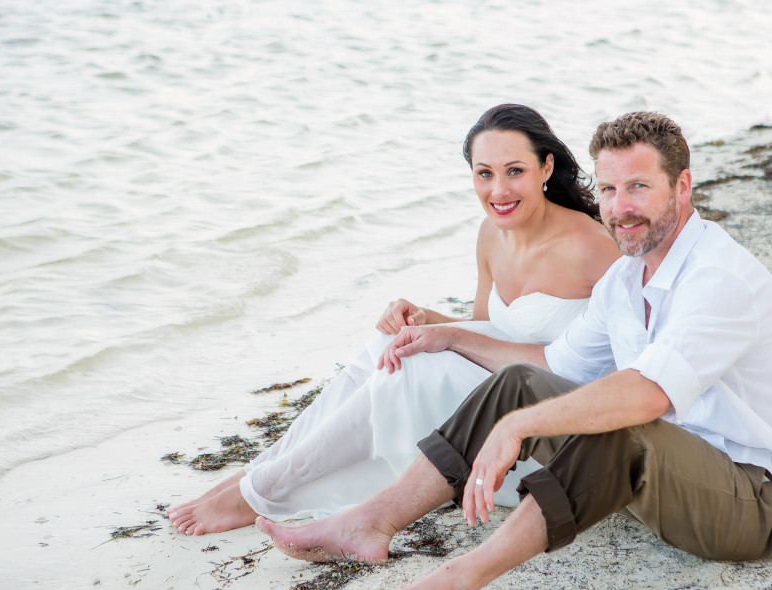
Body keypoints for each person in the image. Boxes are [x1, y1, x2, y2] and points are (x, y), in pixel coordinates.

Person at [256, 111, 772, 590]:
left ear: (682, 188)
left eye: (639, 187)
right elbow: (550, 366)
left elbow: (645, 396)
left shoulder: (716, 277)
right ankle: (371, 521)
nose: (620, 207)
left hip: (755, 504)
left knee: (614, 425)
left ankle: (455, 586)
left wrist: (515, 430)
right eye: (608, 189)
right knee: (516, 387)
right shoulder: (624, 281)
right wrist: (451, 334)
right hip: (675, 473)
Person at [168, 104, 623, 535]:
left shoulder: (591, 247)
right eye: (484, 174)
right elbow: (489, 329)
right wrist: (424, 319)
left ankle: (260, 493)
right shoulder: (492, 235)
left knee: (408, 367)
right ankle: (263, 472)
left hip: (548, 427)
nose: (498, 191)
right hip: (495, 394)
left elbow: (613, 366)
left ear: (545, 168)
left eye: (515, 171)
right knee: (388, 348)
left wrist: (441, 339)